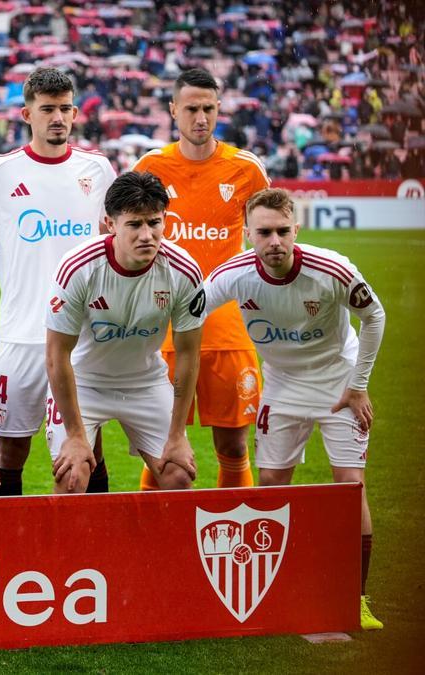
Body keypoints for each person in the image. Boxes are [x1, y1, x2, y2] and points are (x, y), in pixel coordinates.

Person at [204, 188, 386, 630]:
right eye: (264, 232)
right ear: (247, 233)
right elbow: (190, 311)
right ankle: (277, 588)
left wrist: (359, 386)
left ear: (295, 230)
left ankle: (355, 598)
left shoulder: (331, 269)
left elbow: (375, 315)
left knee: (349, 488)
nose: (274, 242)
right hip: (282, 388)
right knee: (270, 482)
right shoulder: (233, 274)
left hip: (337, 384)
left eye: (283, 231)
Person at [0, 67, 117, 496]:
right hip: (21, 334)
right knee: (9, 452)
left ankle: (88, 547)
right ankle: (4, 549)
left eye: (66, 108)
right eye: (47, 109)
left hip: (82, 336)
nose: (58, 118)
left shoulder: (97, 169)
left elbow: (113, 237)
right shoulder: (2, 170)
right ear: (26, 113)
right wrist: (12, 247)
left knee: (88, 448)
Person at [133, 68, 271, 490]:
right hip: (163, 329)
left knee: (232, 446)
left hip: (227, 327)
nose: (200, 118)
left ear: (219, 110)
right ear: (174, 110)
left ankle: (236, 544)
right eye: (191, 108)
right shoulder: (150, 168)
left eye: (208, 108)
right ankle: (155, 549)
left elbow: (269, 235)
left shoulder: (246, 170)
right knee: (160, 450)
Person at [45, 171, 205, 494]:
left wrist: (176, 436)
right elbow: (56, 354)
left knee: (178, 477)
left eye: (154, 222)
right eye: (134, 224)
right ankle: (75, 546)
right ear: (110, 223)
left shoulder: (184, 270)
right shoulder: (78, 267)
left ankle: (157, 546)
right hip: (85, 382)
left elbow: (188, 353)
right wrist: (75, 436)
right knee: (72, 477)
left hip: (144, 383)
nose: (146, 235)